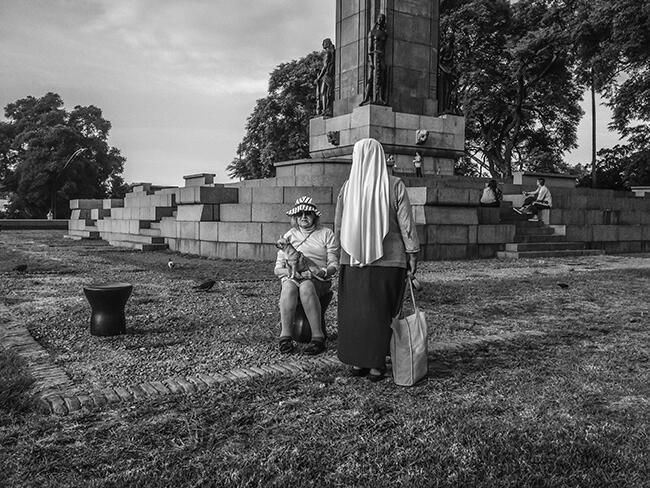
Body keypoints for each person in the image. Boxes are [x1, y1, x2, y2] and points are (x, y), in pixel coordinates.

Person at [335, 138, 420, 382]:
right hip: (390, 260)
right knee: (382, 312)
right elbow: (406, 224)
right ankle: (376, 364)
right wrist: (412, 253)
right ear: (381, 157)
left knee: (356, 311)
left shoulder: (347, 187)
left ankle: (358, 361)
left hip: (352, 260)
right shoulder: (395, 185)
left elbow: (339, 226)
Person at [275, 196, 339, 355]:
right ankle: (285, 337)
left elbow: (334, 265)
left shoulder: (326, 233)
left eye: (308, 213)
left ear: (315, 216)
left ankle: (318, 337)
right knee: (289, 287)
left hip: (317, 278)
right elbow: (278, 269)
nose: (303, 217)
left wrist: (321, 271)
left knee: (306, 286)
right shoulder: (288, 236)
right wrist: (292, 274)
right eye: (299, 214)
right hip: (293, 276)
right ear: (295, 217)